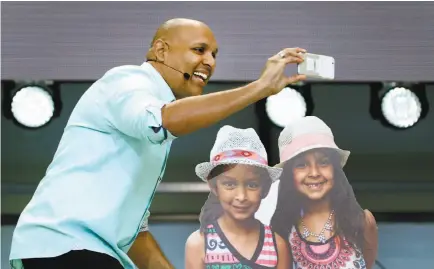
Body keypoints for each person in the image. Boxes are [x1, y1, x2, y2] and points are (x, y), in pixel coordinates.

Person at [9, 17, 307, 269]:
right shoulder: (127, 81)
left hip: (78, 251)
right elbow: (163, 120)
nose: (210, 62)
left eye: (215, 54)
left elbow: (137, 237)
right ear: (161, 51)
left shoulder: (155, 124)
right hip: (64, 246)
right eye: (199, 50)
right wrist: (259, 88)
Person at [255, 116, 378, 269]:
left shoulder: (363, 222)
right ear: (289, 174)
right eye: (302, 165)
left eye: (323, 162)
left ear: (335, 169)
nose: (314, 172)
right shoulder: (280, 229)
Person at [185, 126, 292, 269]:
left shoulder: (277, 246)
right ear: (214, 186)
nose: (241, 196)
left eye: (252, 185)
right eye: (229, 184)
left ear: (265, 188)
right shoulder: (199, 244)